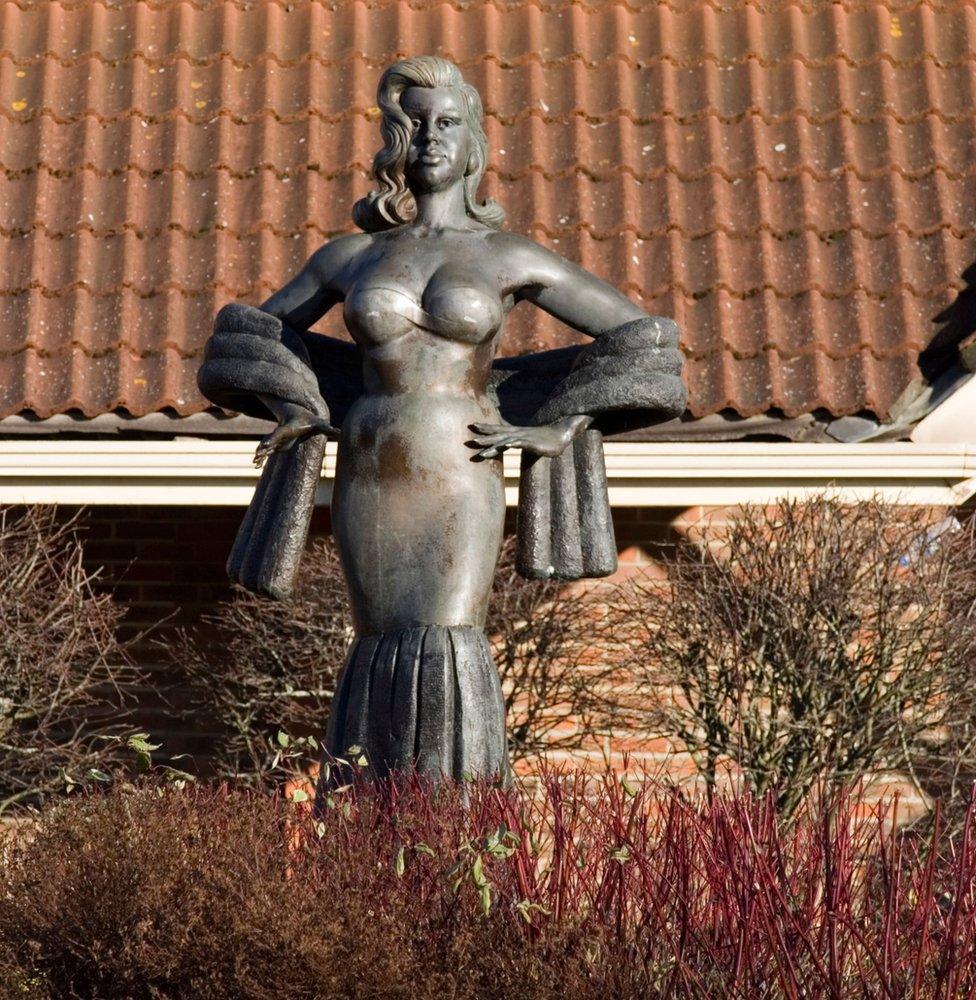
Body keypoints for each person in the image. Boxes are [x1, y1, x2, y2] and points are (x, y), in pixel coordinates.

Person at [198, 56, 686, 789]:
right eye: (413, 123)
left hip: (462, 465)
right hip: (372, 467)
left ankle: (455, 830)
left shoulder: (507, 255)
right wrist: (295, 400)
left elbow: (644, 341)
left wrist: (563, 422)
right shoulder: (352, 257)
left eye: (447, 123)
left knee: (451, 641)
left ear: (474, 143)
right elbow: (242, 342)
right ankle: (367, 827)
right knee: (378, 642)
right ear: (395, 140)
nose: (430, 137)